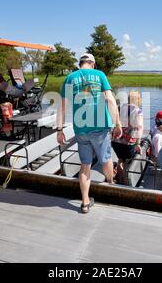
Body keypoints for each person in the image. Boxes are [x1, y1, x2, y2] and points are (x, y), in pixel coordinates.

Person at [57, 53, 122, 214]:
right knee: (106, 158)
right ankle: (111, 183)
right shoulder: (99, 75)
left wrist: (59, 130)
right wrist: (118, 124)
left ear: (80, 63)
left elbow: (62, 107)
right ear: (92, 64)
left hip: (81, 128)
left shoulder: (70, 78)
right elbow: (111, 100)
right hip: (100, 126)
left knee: (85, 165)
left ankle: (85, 202)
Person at [111, 90, 144, 185]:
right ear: (138, 99)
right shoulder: (138, 111)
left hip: (115, 140)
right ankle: (124, 182)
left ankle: (118, 178)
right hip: (128, 142)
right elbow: (139, 128)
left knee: (120, 159)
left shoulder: (120, 107)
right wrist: (138, 143)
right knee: (126, 162)